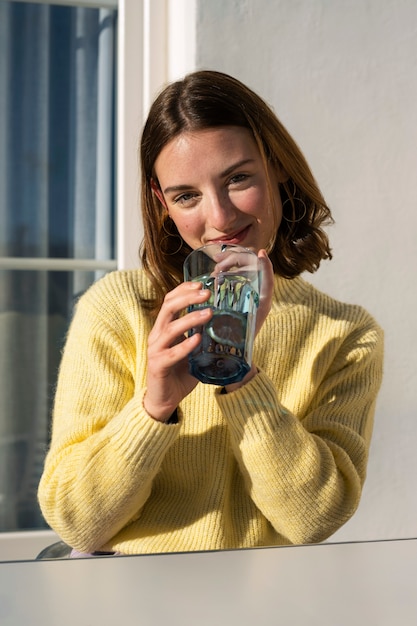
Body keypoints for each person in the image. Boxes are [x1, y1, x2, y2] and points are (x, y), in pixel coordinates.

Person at [38, 70, 384, 556]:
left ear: (277, 166)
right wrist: (153, 406)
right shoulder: (117, 308)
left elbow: (313, 518)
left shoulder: (346, 334)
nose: (219, 218)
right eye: (186, 196)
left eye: (238, 178)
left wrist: (238, 376)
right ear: (163, 204)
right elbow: (77, 523)